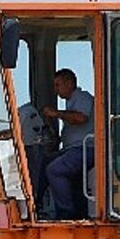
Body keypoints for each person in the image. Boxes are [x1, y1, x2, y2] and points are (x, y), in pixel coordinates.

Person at [42, 68, 95, 219]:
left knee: (55, 170)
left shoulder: (82, 97)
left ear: (69, 83)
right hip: (72, 149)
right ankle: (37, 205)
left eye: (58, 85)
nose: (55, 89)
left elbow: (80, 119)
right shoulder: (72, 102)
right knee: (44, 162)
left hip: (86, 148)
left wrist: (56, 114)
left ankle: (66, 214)